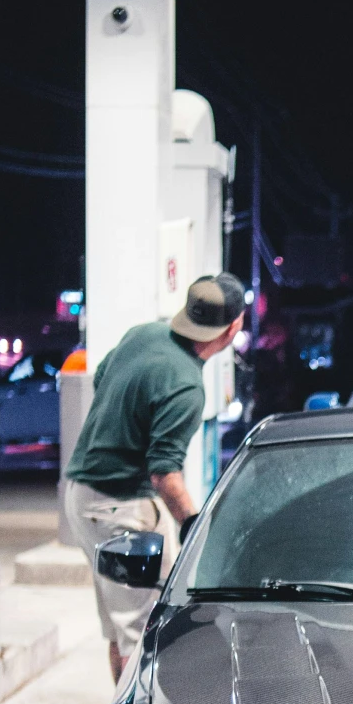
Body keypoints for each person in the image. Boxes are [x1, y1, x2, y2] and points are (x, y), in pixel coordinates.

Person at [64, 272, 246, 683]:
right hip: (118, 507)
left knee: (121, 626)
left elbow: (103, 376)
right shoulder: (185, 386)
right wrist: (195, 525)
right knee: (142, 636)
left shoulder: (142, 334)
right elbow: (164, 473)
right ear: (233, 327)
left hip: (84, 495)